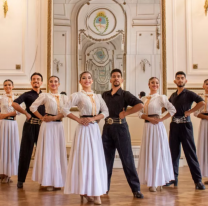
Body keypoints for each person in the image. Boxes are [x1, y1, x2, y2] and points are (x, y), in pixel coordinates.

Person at [62, 71, 109, 205]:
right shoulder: (77, 95)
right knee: (84, 159)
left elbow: (106, 112)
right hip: (83, 130)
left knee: (95, 159)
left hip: (94, 129)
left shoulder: (98, 96)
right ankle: (84, 191)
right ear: (80, 81)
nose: (87, 80)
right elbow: (64, 109)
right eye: (84, 78)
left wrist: (93, 118)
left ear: (92, 80)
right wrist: (77, 119)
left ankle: (96, 192)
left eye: (89, 78)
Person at [102, 68, 144, 198]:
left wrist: (126, 113)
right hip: (107, 129)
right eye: (114, 76)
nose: (116, 78)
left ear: (122, 80)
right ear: (110, 79)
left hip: (121, 129)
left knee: (127, 160)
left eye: (118, 76)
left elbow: (140, 105)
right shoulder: (104, 95)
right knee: (106, 160)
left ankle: (136, 189)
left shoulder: (125, 94)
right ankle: (104, 188)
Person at [165, 71, 205, 190]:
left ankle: (198, 181)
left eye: (182, 78)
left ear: (185, 81)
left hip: (186, 126)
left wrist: (190, 112)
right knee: (173, 153)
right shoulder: (172, 96)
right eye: (178, 78)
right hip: (174, 126)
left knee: (190, 153)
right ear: (175, 81)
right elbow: (166, 107)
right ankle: (173, 179)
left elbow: (202, 103)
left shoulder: (190, 94)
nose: (180, 80)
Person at [137, 77, 176, 192]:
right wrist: (148, 117)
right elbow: (139, 113)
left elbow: (172, 110)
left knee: (158, 152)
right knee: (149, 152)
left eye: (157, 83)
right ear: (148, 84)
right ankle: (151, 182)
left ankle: (159, 180)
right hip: (148, 127)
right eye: (152, 82)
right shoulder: (143, 99)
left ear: (159, 85)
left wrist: (161, 119)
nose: (155, 84)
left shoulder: (161, 97)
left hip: (157, 128)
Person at [29, 76, 67, 191]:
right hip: (48, 127)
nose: (53, 83)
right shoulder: (44, 96)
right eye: (51, 81)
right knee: (48, 151)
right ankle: (46, 181)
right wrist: (41, 117)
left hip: (58, 126)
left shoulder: (64, 97)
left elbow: (67, 111)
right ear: (48, 84)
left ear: (59, 84)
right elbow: (32, 107)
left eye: (55, 81)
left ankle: (57, 181)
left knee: (57, 151)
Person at [12, 72, 45, 189]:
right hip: (29, 127)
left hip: (42, 127)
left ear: (41, 82)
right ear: (31, 82)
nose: (36, 81)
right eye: (34, 79)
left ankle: (44, 180)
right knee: (25, 152)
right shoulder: (26, 95)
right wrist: (25, 113)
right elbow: (14, 103)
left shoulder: (45, 96)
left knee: (44, 153)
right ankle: (20, 180)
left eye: (38, 79)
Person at [0, 79, 20, 183]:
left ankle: (8, 173)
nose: (7, 87)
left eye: (9, 85)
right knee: (2, 147)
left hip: (12, 124)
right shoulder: (1, 98)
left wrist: (6, 115)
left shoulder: (17, 98)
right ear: (3, 87)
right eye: (5, 85)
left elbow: (19, 112)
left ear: (12, 86)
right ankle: (2, 173)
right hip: (2, 124)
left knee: (10, 147)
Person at [194, 79, 208, 184]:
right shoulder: (200, 98)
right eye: (207, 84)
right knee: (205, 147)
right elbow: (195, 113)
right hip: (204, 123)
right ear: (203, 85)